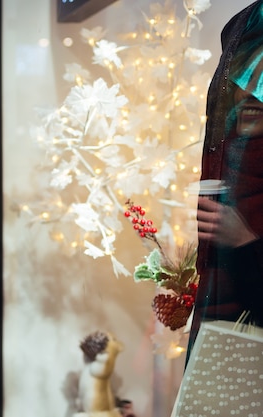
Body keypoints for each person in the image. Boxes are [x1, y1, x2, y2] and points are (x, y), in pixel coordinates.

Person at [190, 0, 263, 350]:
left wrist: (246, 243)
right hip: (225, 334)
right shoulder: (243, 23)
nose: (249, 90)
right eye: (242, 74)